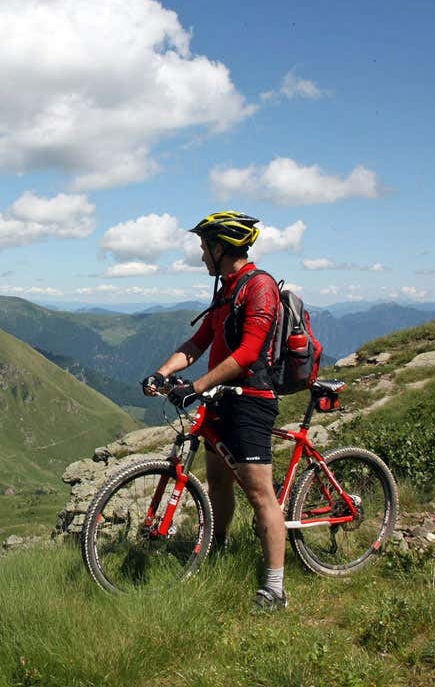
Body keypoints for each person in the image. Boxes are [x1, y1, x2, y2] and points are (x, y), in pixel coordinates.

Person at [141, 210, 288, 610]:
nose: (201, 256)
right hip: (222, 398)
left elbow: (248, 352)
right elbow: (197, 343)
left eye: (204, 248)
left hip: (252, 401)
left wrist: (197, 386)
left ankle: (275, 588)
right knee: (219, 483)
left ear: (220, 247)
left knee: (261, 497)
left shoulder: (258, 287)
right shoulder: (226, 290)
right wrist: (162, 372)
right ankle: (219, 549)